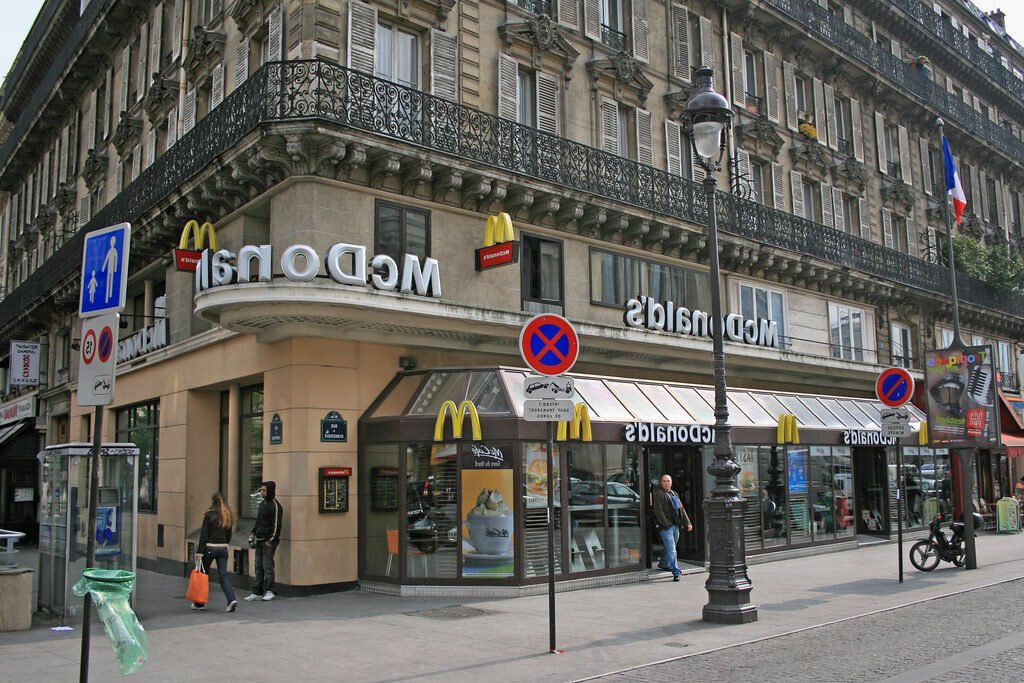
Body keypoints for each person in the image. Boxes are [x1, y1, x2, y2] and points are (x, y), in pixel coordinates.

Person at [193, 492, 238, 613]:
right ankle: (231, 599)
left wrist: (200, 552)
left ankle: (199, 603)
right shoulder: (228, 515)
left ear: (213, 502)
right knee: (223, 575)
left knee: (203, 574)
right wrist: (225, 544)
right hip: (223, 548)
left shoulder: (209, 515)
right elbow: (229, 534)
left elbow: (204, 535)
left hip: (210, 548)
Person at [246, 481, 284, 602]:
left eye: (263, 490)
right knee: (258, 566)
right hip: (260, 539)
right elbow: (259, 521)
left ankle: (270, 590)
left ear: (270, 491)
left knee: (267, 566)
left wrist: (271, 540)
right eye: (261, 490)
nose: (261, 492)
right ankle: (257, 591)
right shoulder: (262, 504)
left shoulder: (276, 506)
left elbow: (277, 525)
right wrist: (253, 532)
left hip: (269, 541)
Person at [652, 474, 693, 582]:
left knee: (670, 547)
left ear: (671, 482)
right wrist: (666, 524)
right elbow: (658, 511)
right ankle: (676, 572)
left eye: (668, 481)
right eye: (664, 481)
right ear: (661, 483)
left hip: (676, 525)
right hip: (667, 527)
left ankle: (663, 564)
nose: (666, 483)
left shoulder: (674, 494)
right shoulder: (659, 494)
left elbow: (681, 509)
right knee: (672, 549)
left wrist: (688, 523)